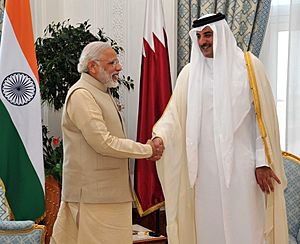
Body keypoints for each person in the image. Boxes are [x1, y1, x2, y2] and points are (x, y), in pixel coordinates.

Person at [152, 13, 288, 244]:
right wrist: (160, 137)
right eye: (199, 36)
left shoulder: (248, 67)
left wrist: (262, 162)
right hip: (204, 173)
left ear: (222, 34)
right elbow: (173, 116)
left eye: (208, 35)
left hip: (242, 170)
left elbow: (261, 119)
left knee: (246, 227)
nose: (203, 41)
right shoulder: (189, 74)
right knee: (209, 229)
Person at [50, 41, 164, 244]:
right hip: (94, 197)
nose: (119, 67)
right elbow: (103, 143)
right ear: (92, 67)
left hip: (108, 196)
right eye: (112, 63)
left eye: (117, 61)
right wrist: (147, 149)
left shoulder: (100, 91)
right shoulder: (82, 95)